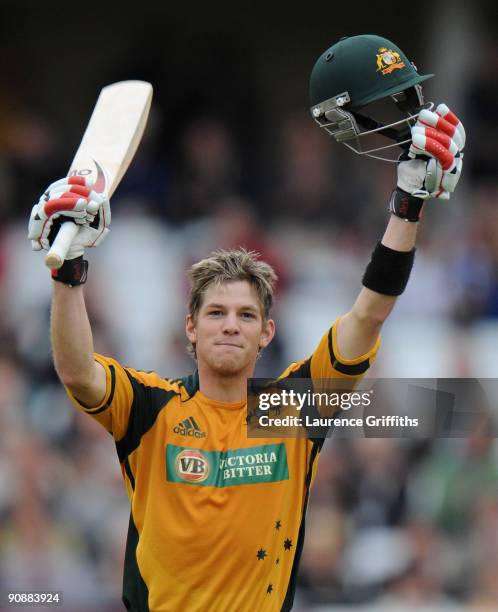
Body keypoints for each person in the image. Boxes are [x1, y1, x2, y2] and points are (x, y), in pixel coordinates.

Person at [28, 35, 465, 612]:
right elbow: (78, 372)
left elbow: (370, 310)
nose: (229, 326)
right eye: (215, 313)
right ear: (189, 327)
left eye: (245, 315)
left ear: (266, 332)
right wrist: (69, 272)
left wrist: (408, 201)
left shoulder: (293, 411)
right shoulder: (152, 408)